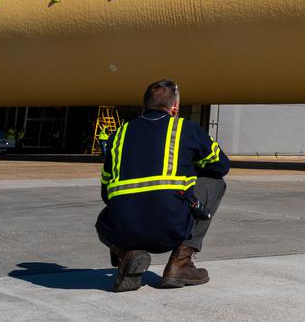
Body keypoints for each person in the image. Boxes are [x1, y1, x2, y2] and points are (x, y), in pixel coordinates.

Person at [96, 79, 231, 292]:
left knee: (104, 219)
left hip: (125, 230)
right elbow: (221, 165)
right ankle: (180, 263)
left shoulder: (118, 135)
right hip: (172, 227)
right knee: (215, 184)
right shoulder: (186, 129)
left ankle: (127, 255)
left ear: (144, 106)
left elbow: (106, 192)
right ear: (174, 108)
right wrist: (189, 167)